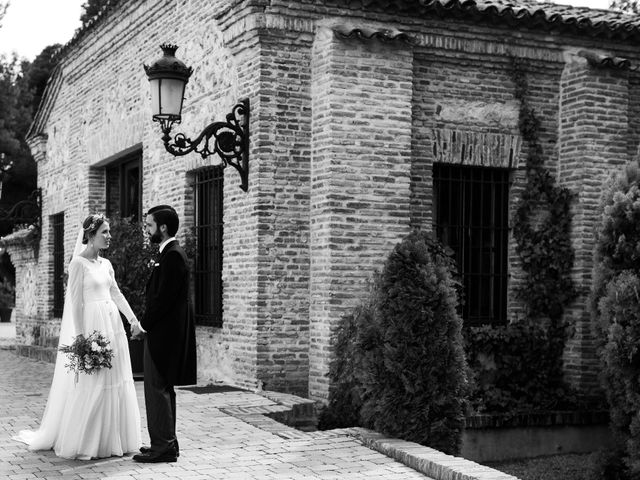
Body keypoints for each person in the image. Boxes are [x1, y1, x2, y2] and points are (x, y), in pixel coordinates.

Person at [13, 213, 141, 460]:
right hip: (93, 327)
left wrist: (133, 320)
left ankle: (115, 439)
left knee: (115, 381)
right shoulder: (77, 264)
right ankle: (89, 441)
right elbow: (74, 304)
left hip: (113, 325)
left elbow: (117, 294)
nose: (109, 236)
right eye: (104, 232)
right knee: (94, 383)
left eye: (109, 231)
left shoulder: (106, 265)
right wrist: (84, 341)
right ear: (91, 235)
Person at [131, 205, 196, 463]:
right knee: (161, 390)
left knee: (156, 390)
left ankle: (164, 447)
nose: (147, 230)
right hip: (163, 335)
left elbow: (162, 300)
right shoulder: (167, 253)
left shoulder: (172, 255)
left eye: (149, 225)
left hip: (163, 337)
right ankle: (166, 442)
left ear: (163, 227)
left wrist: (142, 326)